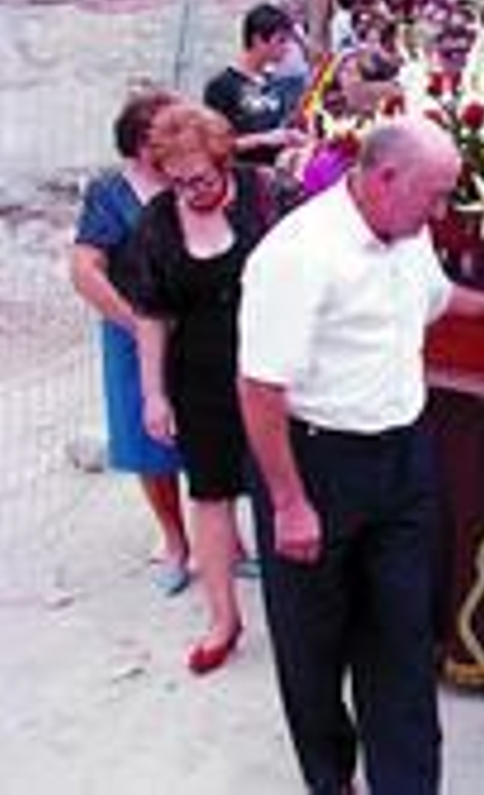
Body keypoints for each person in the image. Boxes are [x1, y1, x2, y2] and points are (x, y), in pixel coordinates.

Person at [237, 119, 484, 795]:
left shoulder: (409, 234)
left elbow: (434, 300)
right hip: (314, 465)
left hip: (403, 460)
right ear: (384, 178)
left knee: (402, 641)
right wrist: (290, 503)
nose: (440, 211)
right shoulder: (298, 255)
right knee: (313, 647)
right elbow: (260, 386)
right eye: (434, 195)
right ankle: (331, 777)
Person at [124, 102, 280, 673]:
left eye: (204, 179)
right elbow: (149, 312)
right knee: (210, 493)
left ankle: (298, 610)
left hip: (273, 366)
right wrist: (154, 394)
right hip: (200, 374)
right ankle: (223, 619)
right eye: (179, 182)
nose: (193, 191)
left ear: (222, 159)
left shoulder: (265, 195)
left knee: (284, 483)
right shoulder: (159, 222)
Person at [69, 88, 189, 595]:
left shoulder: (192, 178)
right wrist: (136, 323)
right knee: (150, 444)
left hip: (197, 331)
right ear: (143, 144)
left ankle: (224, 541)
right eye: (172, 132)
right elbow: (84, 269)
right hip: (131, 335)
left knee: (208, 437)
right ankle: (176, 543)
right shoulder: (110, 193)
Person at [203, 2, 308, 167]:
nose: (287, 48)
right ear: (258, 40)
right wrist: (262, 139)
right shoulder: (222, 85)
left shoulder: (272, 79)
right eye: (281, 41)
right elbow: (215, 145)